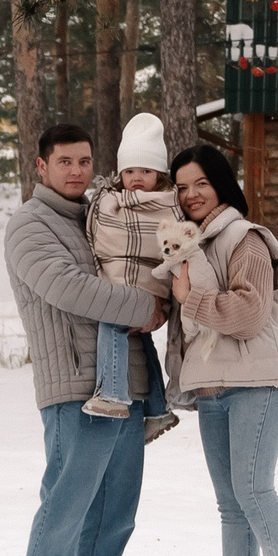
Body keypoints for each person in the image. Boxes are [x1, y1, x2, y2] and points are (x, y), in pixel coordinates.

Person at [4, 123, 167, 556]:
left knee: (117, 505)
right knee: (67, 498)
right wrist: (148, 306)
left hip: (129, 381)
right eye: (64, 161)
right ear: (41, 166)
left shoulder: (103, 216)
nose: (76, 171)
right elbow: (69, 288)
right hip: (76, 383)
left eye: (84, 161)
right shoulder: (29, 225)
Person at [164, 142, 278, 556]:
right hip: (214, 384)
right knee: (231, 504)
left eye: (201, 183)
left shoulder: (244, 238)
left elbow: (249, 314)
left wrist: (190, 298)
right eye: (182, 187)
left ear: (222, 184)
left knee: (254, 491)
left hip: (258, 379)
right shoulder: (192, 244)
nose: (191, 195)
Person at [83, 114, 183, 445]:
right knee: (140, 340)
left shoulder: (168, 204)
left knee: (112, 322)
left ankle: (112, 394)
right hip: (121, 281)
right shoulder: (109, 202)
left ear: (160, 174)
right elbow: (104, 237)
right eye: (129, 171)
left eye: (146, 171)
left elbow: (168, 247)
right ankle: (157, 408)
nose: (136, 178)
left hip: (148, 286)